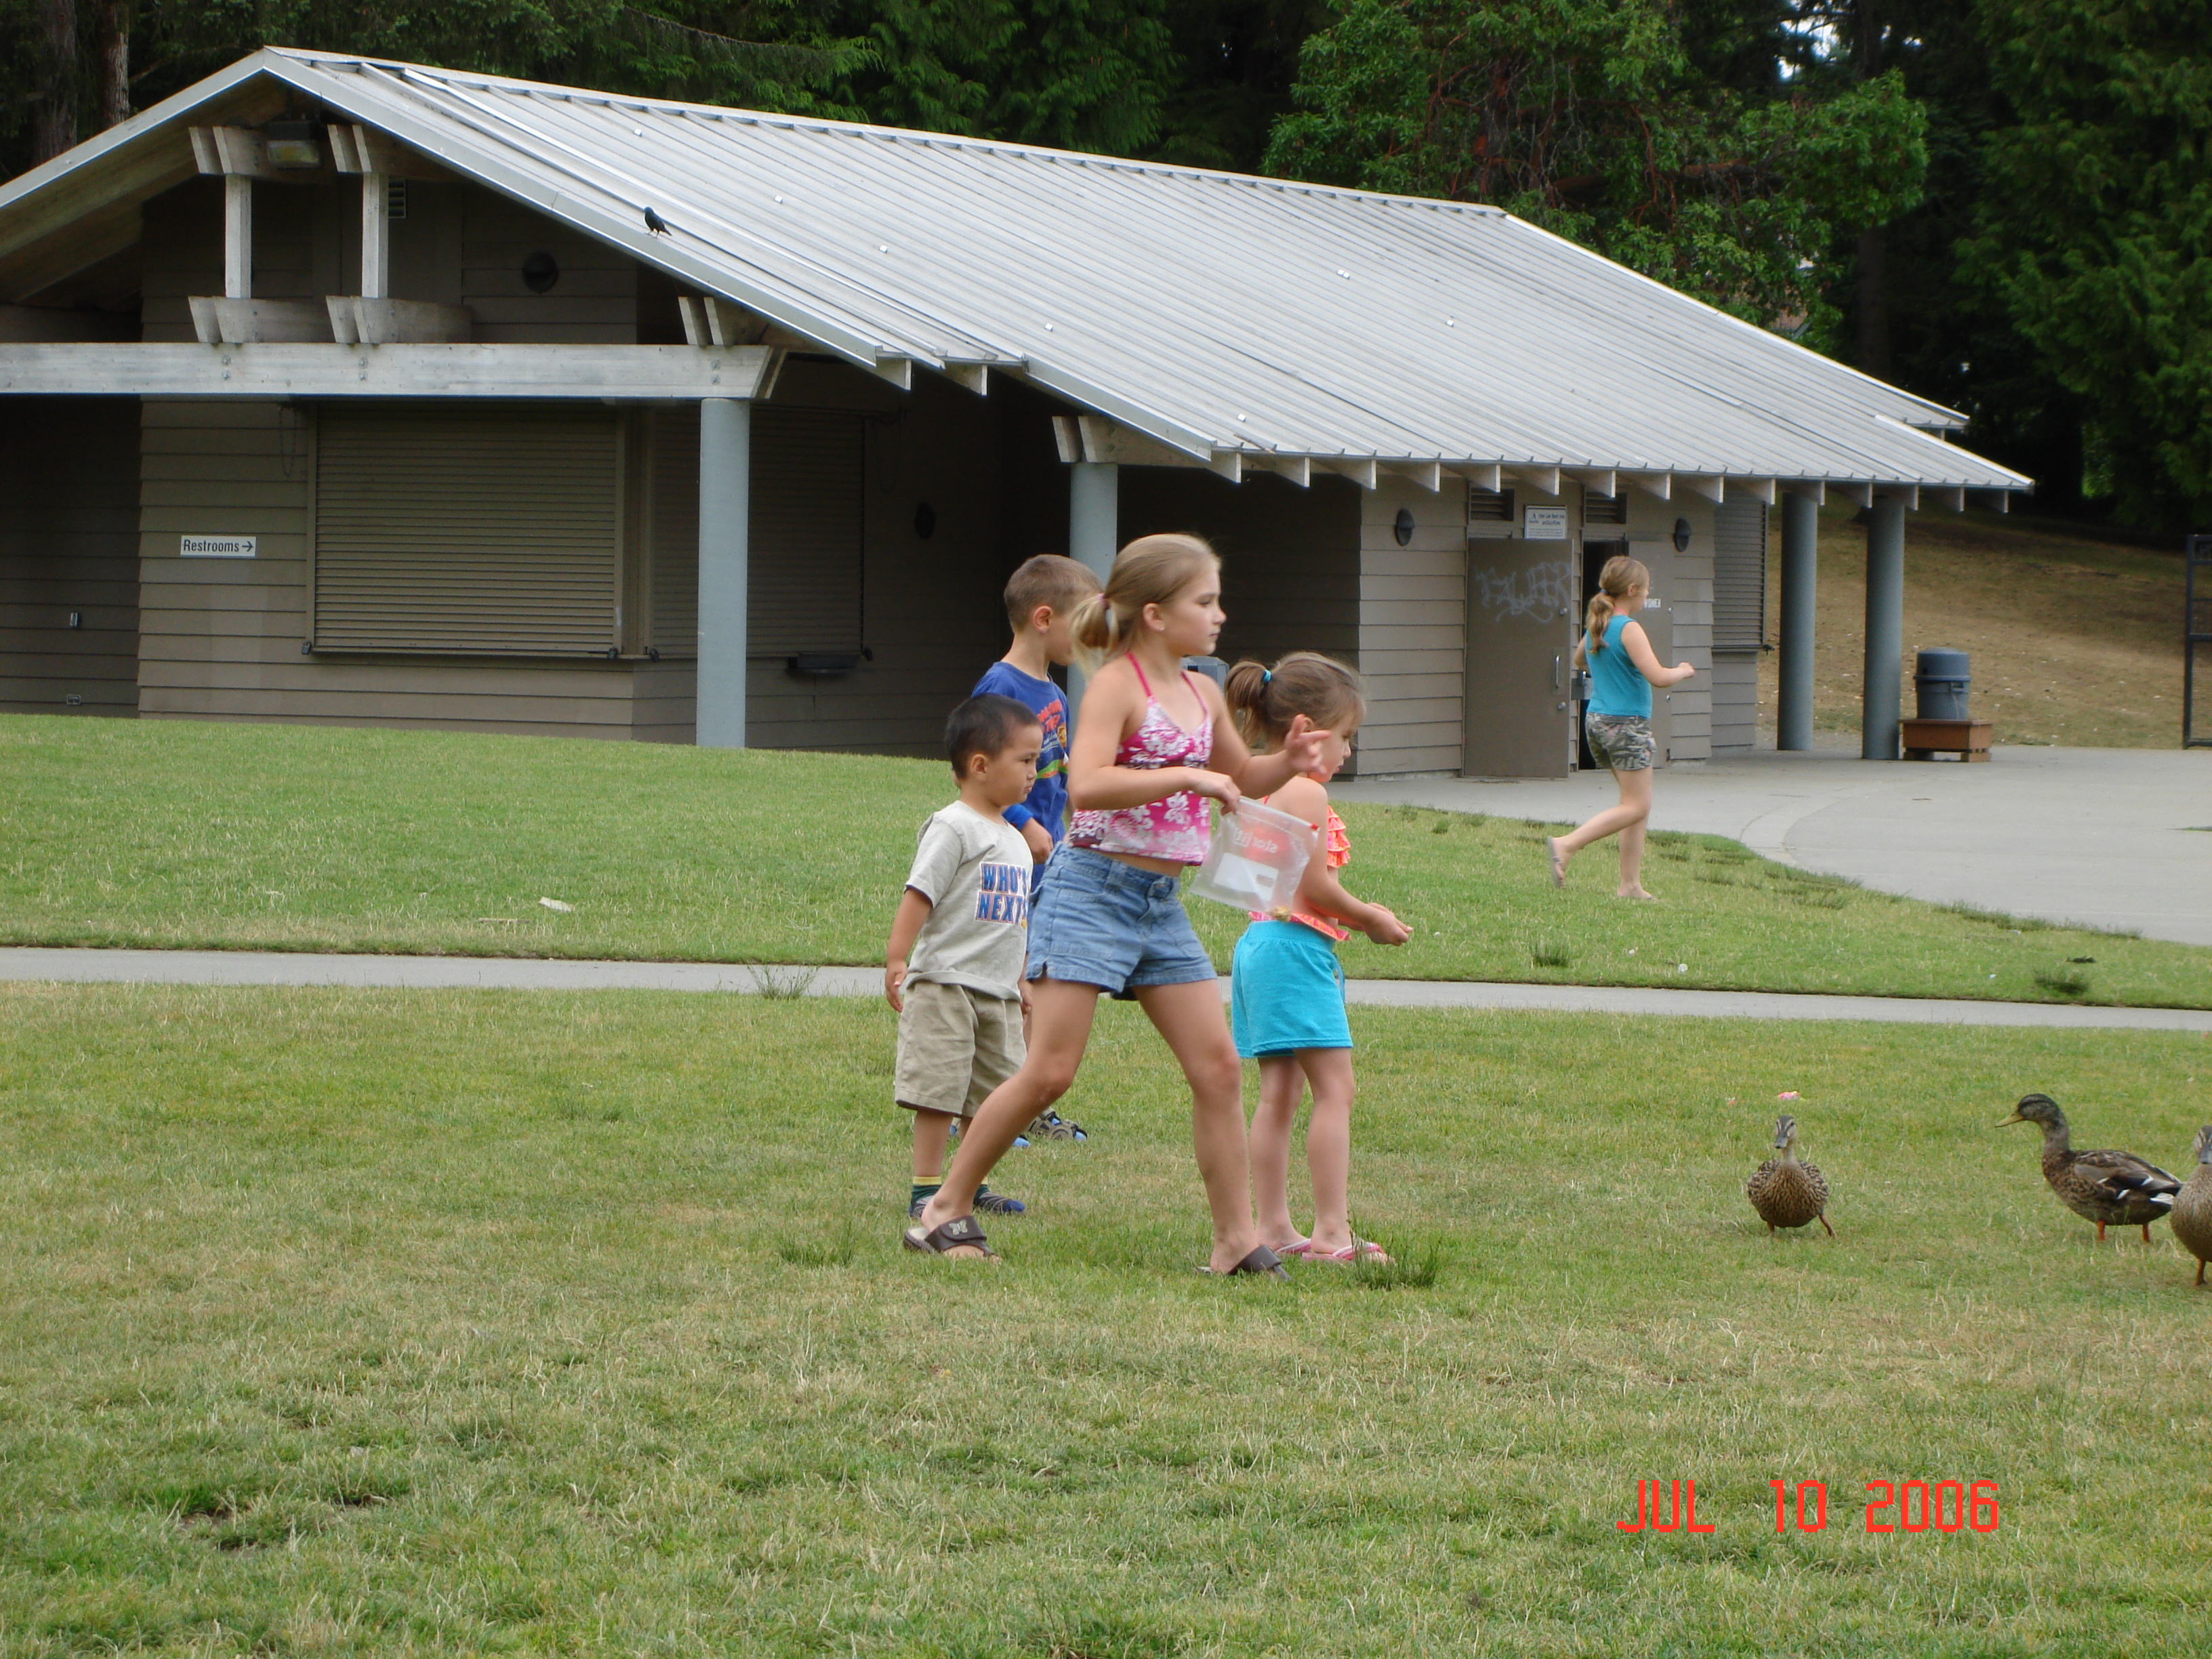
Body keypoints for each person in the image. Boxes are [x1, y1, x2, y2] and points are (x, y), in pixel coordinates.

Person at [903, 533, 1328, 1272]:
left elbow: (1239, 778)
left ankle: (1235, 1242)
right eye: (1206, 601)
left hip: (1158, 902)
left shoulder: (1201, 693)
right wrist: (1187, 778)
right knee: (1050, 1072)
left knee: (1219, 1069)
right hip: (1090, 890)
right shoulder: (1115, 687)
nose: (1220, 615)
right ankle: (942, 1208)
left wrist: (1284, 762)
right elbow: (1087, 786)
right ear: (1156, 615)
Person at [1223, 653, 1412, 1264]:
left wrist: (1352, 911)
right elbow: (1315, 889)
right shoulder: (1306, 790)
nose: (1348, 752)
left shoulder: (1270, 787)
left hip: (1262, 945)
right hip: (1295, 951)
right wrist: (1369, 918)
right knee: (1336, 1089)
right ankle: (1332, 1232)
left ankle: (1274, 1227)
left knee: (1278, 1094)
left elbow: (1287, 888)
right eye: (1346, 736)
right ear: (1308, 729)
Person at [884, 695, 1043, 1222]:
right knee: (940, 1091)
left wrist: (1021, 978)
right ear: (980, 765)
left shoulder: (1016, 840)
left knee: (991, 1096)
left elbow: (1017, 919)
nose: (1034, 773)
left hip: (998, 990)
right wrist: (898, 958)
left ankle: (970, 1184)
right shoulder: (953, 827)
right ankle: (926, 1188)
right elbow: (920, 893)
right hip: (947, 983)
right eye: (1025, 760)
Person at [971, 553, 1102, 1143]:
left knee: (1032, 988)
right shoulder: (1001, 686)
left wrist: (1083, 821)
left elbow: (1058, 772)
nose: (1092, 638)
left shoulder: (1053, 692)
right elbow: (979, 774)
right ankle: (980, 1106)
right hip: (1009, 861)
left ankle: (1022, 1104)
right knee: (1003, 988)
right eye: (1084, 623)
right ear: (1044, 618)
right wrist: (1023, 822)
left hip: (1047, 866)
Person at [1547, 554, 1696, 900]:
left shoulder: (1599, 624)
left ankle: (1630, 885)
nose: (1647, 595)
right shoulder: (1629, 628)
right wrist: (1683, 671)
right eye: (1646, 590)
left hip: (1598, 722)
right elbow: (1659, 677)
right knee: (1637, 806)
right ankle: (1566, 845)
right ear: (1632, 590)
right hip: (1627, 725)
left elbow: (1580, 659)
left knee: (1633, 805)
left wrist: (1609, 666)